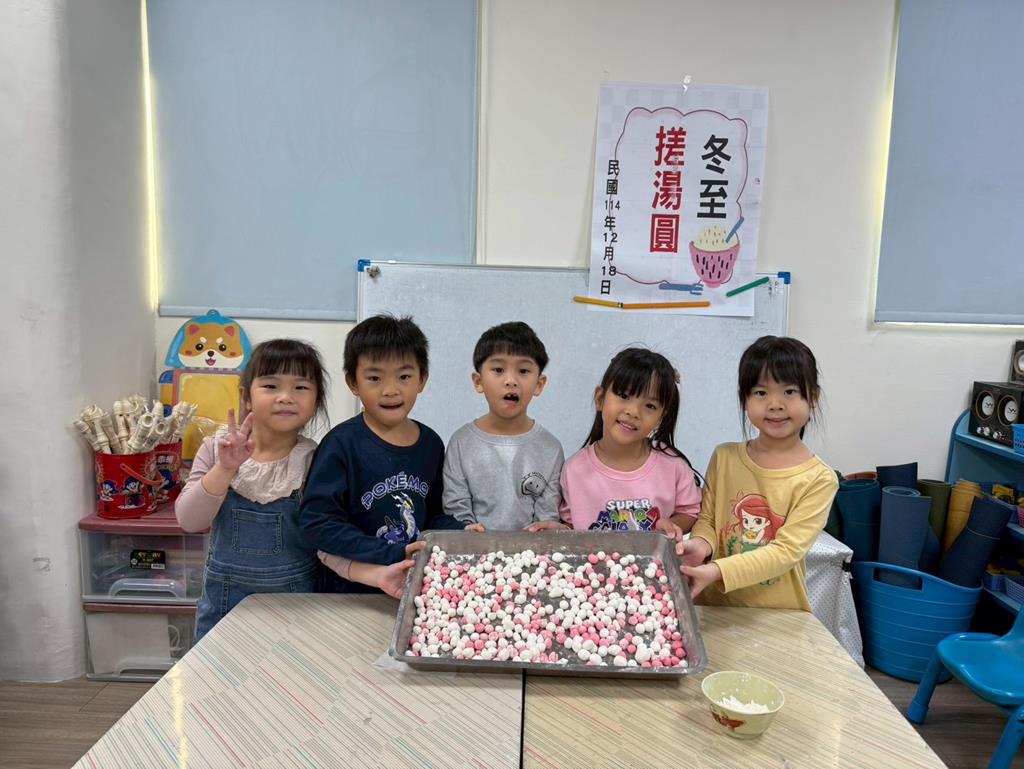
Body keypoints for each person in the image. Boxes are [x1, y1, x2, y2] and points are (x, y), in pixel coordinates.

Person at [178, 339, 412, 642]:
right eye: (271, 386)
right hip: (224, 607)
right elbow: (189, 520)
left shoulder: (316, 460)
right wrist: (225, 469)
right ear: (246, 395)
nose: (286, 397)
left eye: (301, 387)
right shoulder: (216, 448)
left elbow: (326, 543)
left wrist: (377, 575)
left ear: (316, 400)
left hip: (297, 608)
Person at [299, 315, 466, 592]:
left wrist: (460, 532)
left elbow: (432, 515)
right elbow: (317, 524)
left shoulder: (431, 444)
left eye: (404, 377)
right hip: (348, 592)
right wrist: (390, 553)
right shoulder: (341, 444)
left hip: (412, 588)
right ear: (353, 383)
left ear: (422, 380)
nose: (390, 390)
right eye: (375, 378)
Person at [676, 335, 838, 610]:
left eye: (789, 391)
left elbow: (785, 552)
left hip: (777, 615)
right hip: (714, 608)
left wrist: (717, 570)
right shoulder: (724, 457)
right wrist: (701, 544)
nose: (775, 404)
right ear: (745, 399)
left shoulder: (819, 479)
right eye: (761, 393)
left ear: (813, 397)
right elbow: (708, 520)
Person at [558, 348, 701, 538]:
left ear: (661, 418)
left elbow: (690, 512)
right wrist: (555, 531)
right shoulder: (574, 470)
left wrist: (669, 526)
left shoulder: (673, 466)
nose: (633, 412)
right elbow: (569, 525)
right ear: (600, 399)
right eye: (624, 396)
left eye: (650, 406)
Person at [442, 322, 564, 531]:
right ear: (478, 381)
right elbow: (457, 511)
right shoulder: (461, 443)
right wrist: (470, 535)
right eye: (498, 370)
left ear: (539, 384)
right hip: (472, 548)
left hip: (531, 549)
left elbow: (547, 516)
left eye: (523, 371)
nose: (511, 380)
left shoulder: (550, 448)